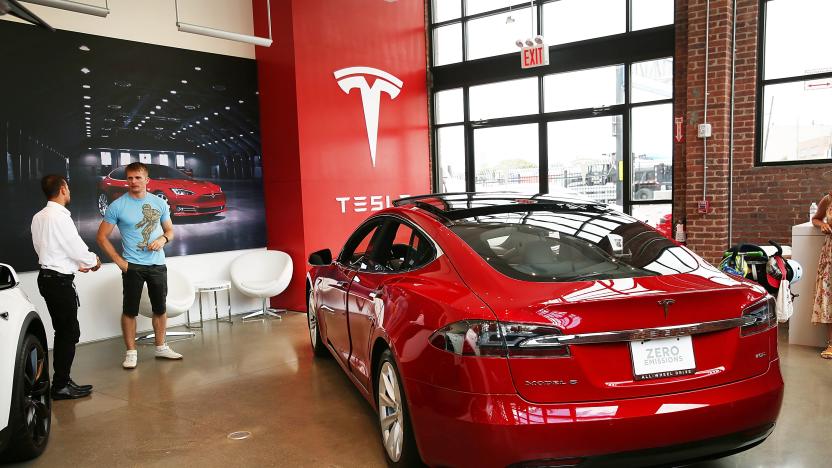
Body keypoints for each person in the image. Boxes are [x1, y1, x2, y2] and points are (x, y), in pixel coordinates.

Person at [96, 162, 182, 369]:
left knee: (160, 308)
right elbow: (101, 237)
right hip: (132, 265)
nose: (133, 182)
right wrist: (119, 261)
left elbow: (169, 231)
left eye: (137, 178)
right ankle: (131, 352)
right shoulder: (117, 205)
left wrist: (163, 240)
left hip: (157, 264)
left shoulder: (159, 203)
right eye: (130, 178)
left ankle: (161, 347)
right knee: (130, 310)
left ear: (147, 180)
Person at [31, 175, 100, 400]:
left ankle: (63, 381)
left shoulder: (39, 216)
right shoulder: (59, 217)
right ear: (62, 189)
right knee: (67, 332)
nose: (69, 192)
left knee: (65, 331)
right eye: (67, 188)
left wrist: (73, 264)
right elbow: (75, 246)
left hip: (48, 277)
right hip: (59, 282)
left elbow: (45, 248)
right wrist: (92, 261)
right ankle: (60, 385)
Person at [810, 190, 832, 359]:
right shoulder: (828, 199)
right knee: (830, 297)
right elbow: (816, 218)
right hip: (830, 253)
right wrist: (821, 224)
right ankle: (831, 343)